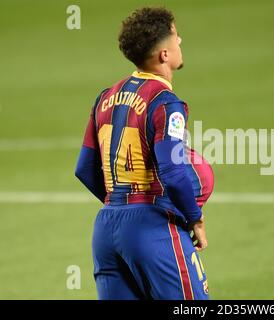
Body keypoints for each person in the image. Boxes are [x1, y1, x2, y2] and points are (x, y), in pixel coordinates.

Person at [75, 6, 213, 300]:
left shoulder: (105, 98)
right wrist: (194, 219)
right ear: (164, 54)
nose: (180, 41)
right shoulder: (165, 103)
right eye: (176, 36)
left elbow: (84, 168)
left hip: (105, 230)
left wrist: (122, 206)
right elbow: (174, 173)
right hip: (152, 228)